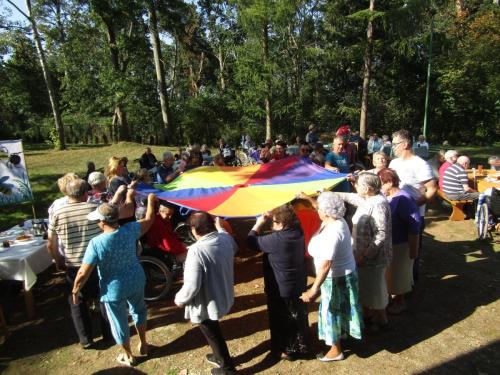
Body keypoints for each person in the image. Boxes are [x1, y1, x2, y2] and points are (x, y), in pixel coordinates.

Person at [72, 193, 157, 366]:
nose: (97, 222)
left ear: (103, 222)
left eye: (98, 220)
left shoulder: (96, 243)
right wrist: (150, 202)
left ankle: (129, 355)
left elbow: (83, 272)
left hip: (113, 289)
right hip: (135, 279)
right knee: (139, 311)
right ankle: (144, 343)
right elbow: (149, 218)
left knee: (118, 322)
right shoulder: (131, 229)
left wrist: (75, 290)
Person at [47, 178, 111, 348]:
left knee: (77, 300)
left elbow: (50, 242)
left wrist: (57, 259)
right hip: (97, 263)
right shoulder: (95, 209)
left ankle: (85, 339)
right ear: (86, 193)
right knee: (103, 297)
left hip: (74, 264)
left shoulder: (57, 214)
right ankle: (108, 334)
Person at [299, 192, 363, 361]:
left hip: (335, 278)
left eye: (319, 208)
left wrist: (313, 289)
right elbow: (322, 206)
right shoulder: (336, 219)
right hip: (346, 273)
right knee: (342, 308)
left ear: (326, 212)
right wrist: (308, 198)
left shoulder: (332, 233)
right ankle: (342, 336)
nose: (316, 209)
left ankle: (336, 350)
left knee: (331, 312)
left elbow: (326, 265)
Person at [174, 212, 238, 375]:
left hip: (207, 301)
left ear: (194, 229)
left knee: (211, 332)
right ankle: (219, 357)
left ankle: (226, 368)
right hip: (223, 292)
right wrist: (219, 224)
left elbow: (192, 284)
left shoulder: (196, 251)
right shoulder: (225, 239)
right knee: (213, 329)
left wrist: (180, 299)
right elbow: (228, 238)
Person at [247, 204, 309, 360]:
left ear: (282, 224)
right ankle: (301, 345)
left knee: (280, 319)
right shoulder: (297, 231)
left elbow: (250, 241)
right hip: (298, 283)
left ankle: (287, 350)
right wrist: (275, 213)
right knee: (297, 316)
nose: (272, 225)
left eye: (274, 222)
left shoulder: (276, 240)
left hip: (280, 288)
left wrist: (258, 223)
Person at [336, 172, 392, 330]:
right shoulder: (370, 198)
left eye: (357, 184)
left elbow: (381, 234)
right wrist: (332, 193)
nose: (354, 186)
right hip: (362, 256)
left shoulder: (378, 203)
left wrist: (364, 256)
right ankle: (367, 317)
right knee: (366, 288)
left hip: (373, 258)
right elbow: (355, 198)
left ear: (367, 189)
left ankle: (381, 322)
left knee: (375, 290)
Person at [389, 129, 436, 283]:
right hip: (393, 214)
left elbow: (432, 189)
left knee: (412, 252)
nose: (393, 147)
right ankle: (396, 283)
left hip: (413, 216)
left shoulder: (420, 164)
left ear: (406, 144)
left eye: (395, 144)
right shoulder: (394, 163)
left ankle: (410, 285)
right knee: (397, 250)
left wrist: (411, 205)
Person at [378, 169, 421, 314]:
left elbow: (414, 224)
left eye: (381, 183)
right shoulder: (390, 196)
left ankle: (400, 302)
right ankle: (394, 298)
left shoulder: (403, 199)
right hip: (392, 242)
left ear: (389, 182)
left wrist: (414, 249)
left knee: (399, 273)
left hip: (401, 243)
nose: (379, 187)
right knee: (391, 273)